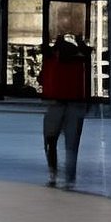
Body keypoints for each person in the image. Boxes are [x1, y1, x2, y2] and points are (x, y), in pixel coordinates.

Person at [39, 33, 92, 187]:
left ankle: (53, 173)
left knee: (50, 140)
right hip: (75, 104)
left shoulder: (52, 59)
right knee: (71, 145)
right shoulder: (80, 59)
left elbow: (42, 79)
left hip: (55, 103)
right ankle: (69, 178)